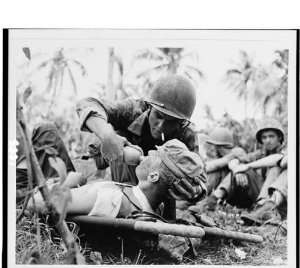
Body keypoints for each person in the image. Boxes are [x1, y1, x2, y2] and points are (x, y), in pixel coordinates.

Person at [76, 75, 207, 214]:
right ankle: (127, 204)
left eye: (171, 122)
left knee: (170, 173)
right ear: (149, 107)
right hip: (111, 163)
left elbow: (200, 179)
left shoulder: (186, 133)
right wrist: (108, 136)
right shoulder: (134, 110)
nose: (161, 126)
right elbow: (86, 104)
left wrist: (195, 190)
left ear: (181, 123)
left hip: (155, 190)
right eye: (159, 116)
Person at [29, 139, 206, 222]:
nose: (145, 155)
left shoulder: (111, 198)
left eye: (152, 156)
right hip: (74, 190)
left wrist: (65, 183)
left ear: (153, 176)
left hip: (35, 191)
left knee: (46, 132)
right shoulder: (158, 207)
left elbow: (35, 204)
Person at [230, 118, 287, 225]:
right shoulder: (259, 154)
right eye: (264, 137)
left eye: (271, 136)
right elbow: (233, 161)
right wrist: (237, 170)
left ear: (279, 137)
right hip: (260, 196)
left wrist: (247, 166)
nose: (268, 140)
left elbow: (278, 159)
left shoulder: (286, 151)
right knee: (242, 169)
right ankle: (213, 200)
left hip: (281, 199)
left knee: (275, 168)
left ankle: (265, 208)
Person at [190, 127, 261, 212]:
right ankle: (199, 199)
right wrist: (227, 161)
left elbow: (237, 162)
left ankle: (212, 199)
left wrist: (236, 170)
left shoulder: (237, 151)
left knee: (229, 170)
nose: (213, 149)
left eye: (215, 146)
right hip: (230, 196)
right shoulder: (224, 157)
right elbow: (206, 168)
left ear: (219, 147)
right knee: (216, 172)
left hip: (246, 193)